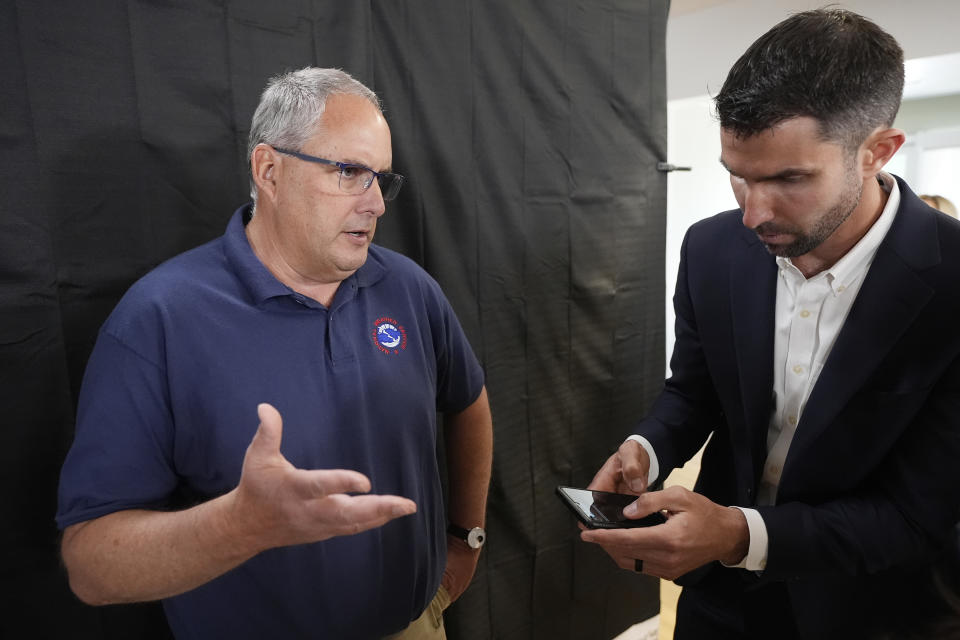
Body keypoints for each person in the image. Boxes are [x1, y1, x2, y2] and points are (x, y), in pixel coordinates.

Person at [56, 67, 493, 640]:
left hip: (413, 626)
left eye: (381, 178)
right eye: (350, 173)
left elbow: (469, 401)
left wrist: (465, 539)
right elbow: (90, 566)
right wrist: (241, 526)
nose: (377, 205)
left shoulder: (408, 289)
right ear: (269, 170)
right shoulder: (159, 320)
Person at [579, 9, 960, 640]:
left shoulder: (952, 287)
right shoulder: (711, 248)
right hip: (721, 606)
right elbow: (694, 389)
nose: (753, 213)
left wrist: (736, 533)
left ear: (877, 151)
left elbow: (919, 516)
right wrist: (649, 447)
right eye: (738, 174)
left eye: (789, 178)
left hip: (880, 611)